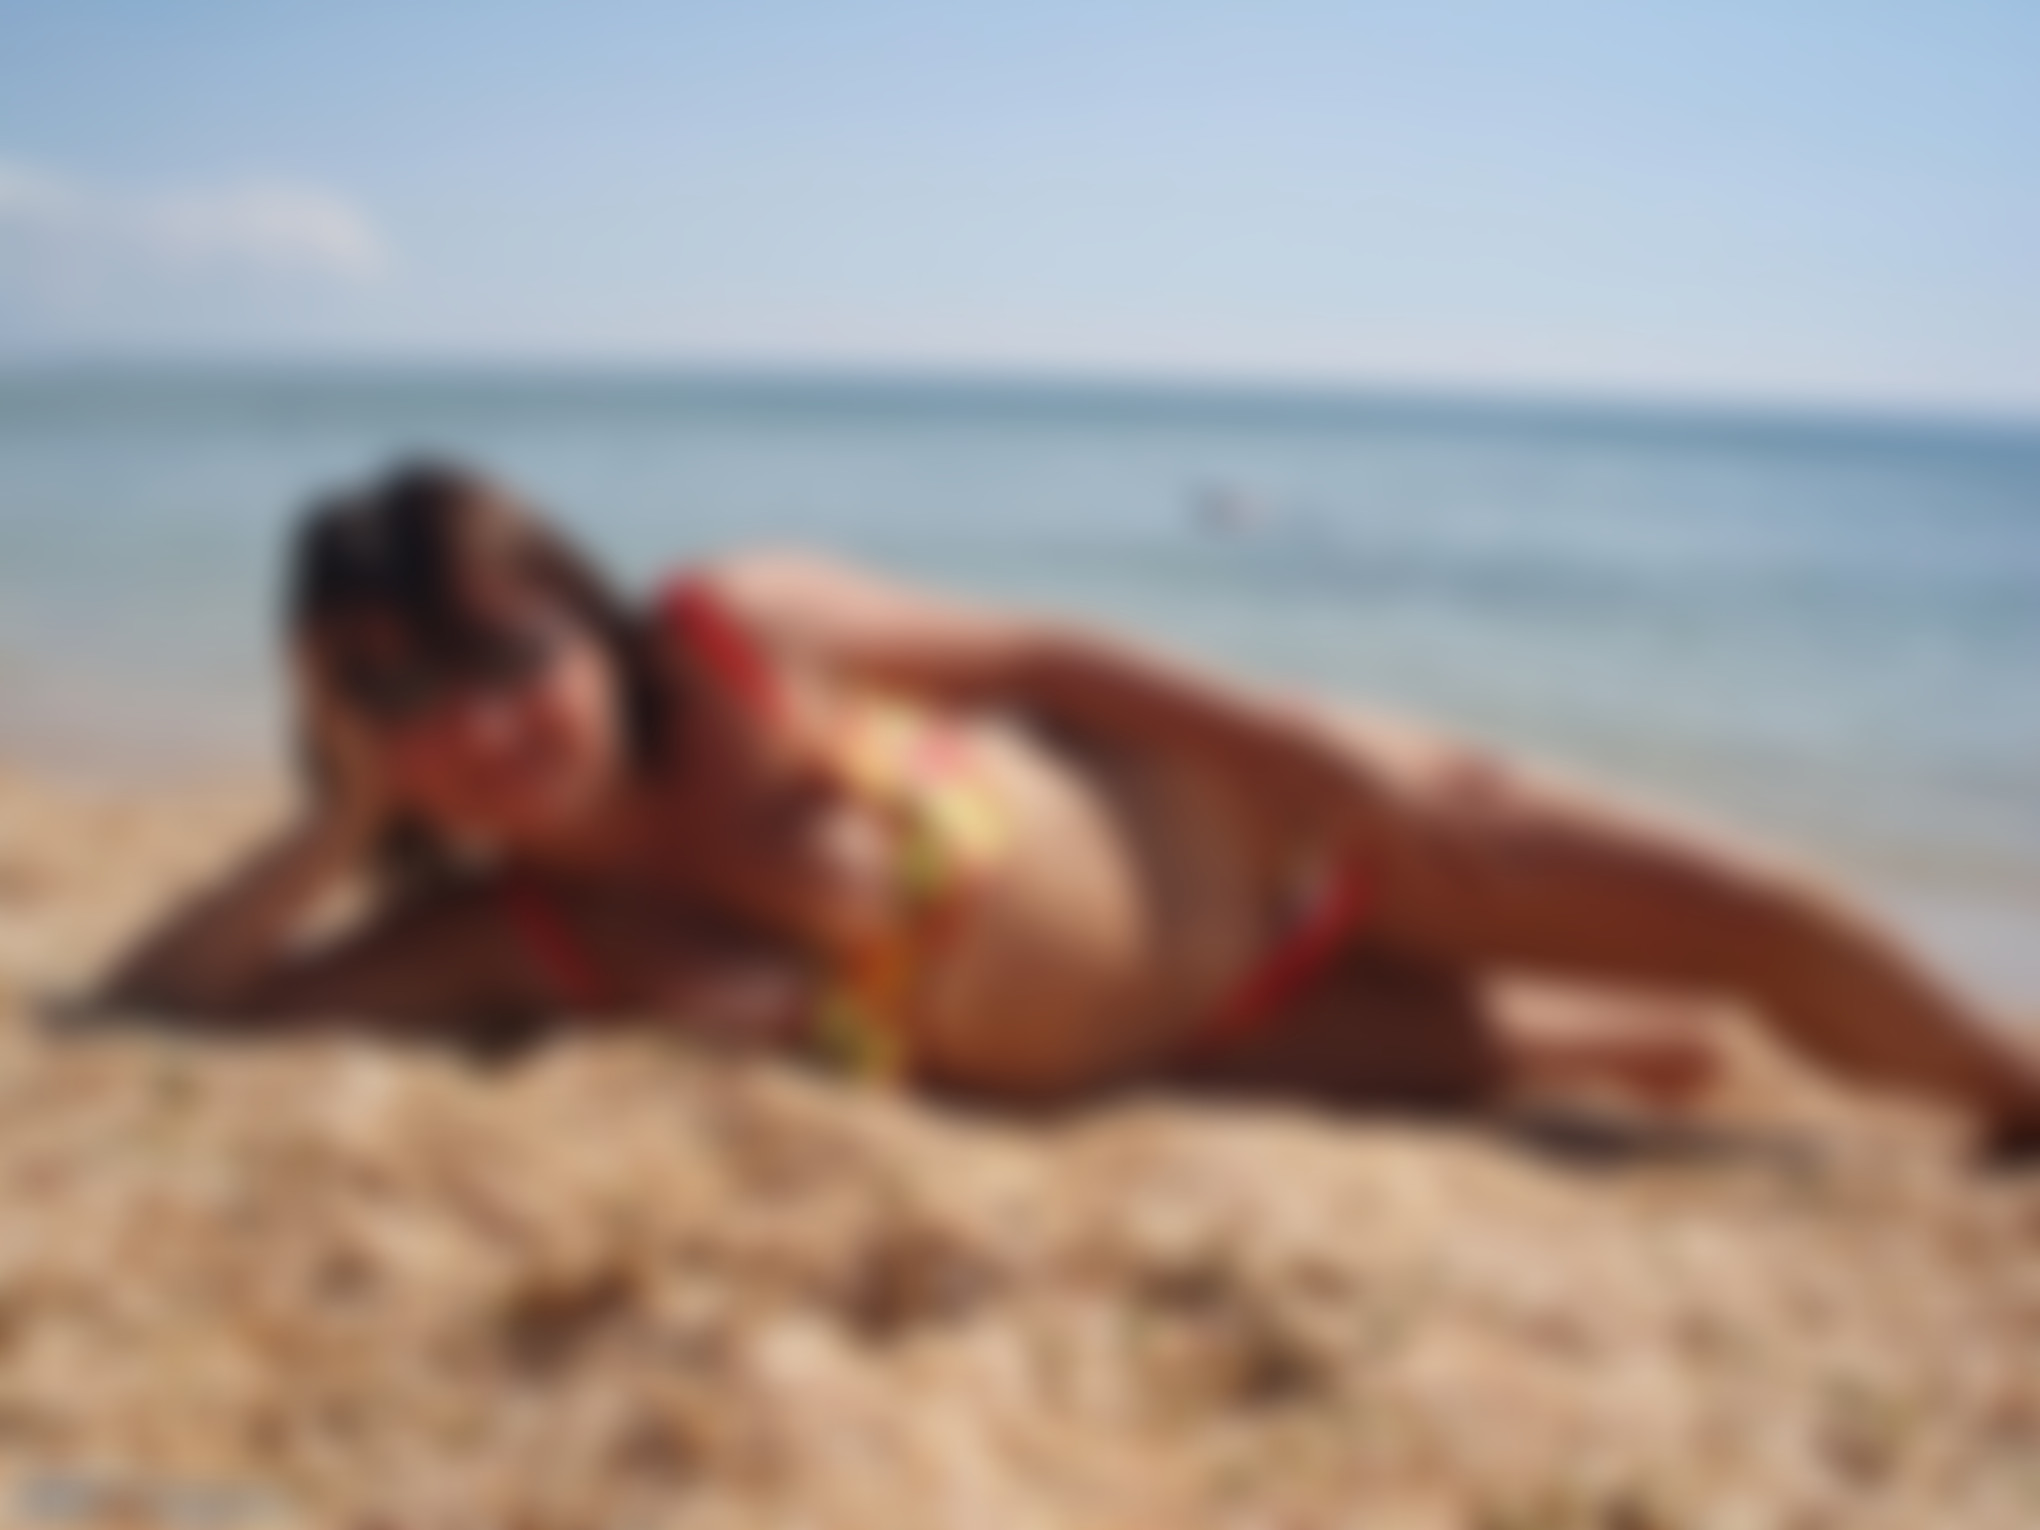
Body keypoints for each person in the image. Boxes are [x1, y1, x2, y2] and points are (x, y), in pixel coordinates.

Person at [104, 460, 2040, 1155]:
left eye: (505, 654)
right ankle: (1605, 1040)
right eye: (398, 699)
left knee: (1774, 919)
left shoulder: (737, 638)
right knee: (1644, 1057)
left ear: (586, 621)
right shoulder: (514, 931)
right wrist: (334, 825)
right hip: (1212, 1051)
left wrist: (1315, 760)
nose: (478, 725)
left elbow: (1043, 649)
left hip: (1283, 834)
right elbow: (170, 1012)